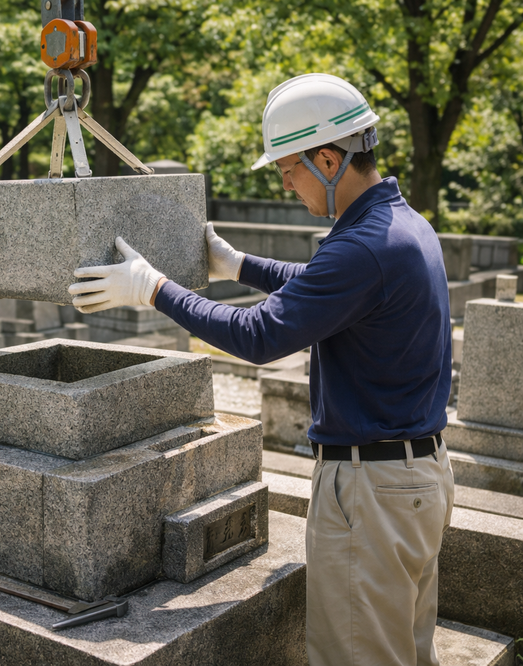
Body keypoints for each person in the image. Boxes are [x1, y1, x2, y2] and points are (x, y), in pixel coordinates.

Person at [68, 73, 455, 666]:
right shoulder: (400, 226)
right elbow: (324, 288)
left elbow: (257, 335)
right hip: (415, 479)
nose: (287, 185)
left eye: (288, 169)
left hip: (373, 493)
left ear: (329, 158)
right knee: (405, 649)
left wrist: (152, 289)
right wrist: (239, 264)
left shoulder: (362, 247)